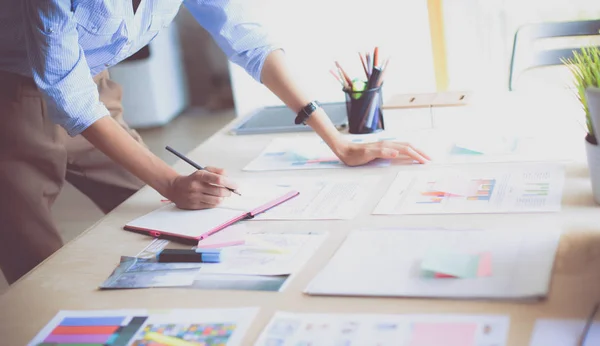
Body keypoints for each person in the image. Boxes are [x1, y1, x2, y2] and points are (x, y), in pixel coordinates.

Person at [0, 0, 429, 285]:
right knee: (37, 272)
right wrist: (171, 182)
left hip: (94, 88)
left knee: (164, 228)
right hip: (10, 100)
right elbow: (66, 91)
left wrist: (335, 138)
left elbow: (247, 39)